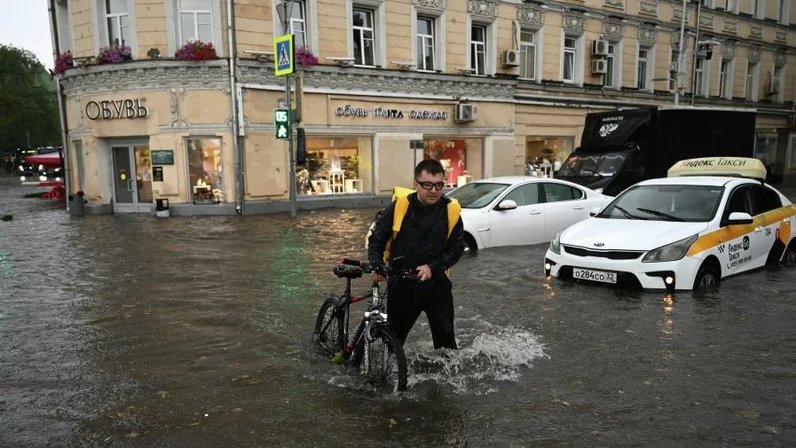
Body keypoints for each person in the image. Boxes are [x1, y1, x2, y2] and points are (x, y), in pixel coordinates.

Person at [367, 159, 465, 349]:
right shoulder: (398, 207)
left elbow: (456, 248)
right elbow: (377, 239)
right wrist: (376, 264)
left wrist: (432, 267)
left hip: (436, 284)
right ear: (415, 184)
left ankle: (444, 376)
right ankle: (390, 374)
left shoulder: (450, 211)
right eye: (427, 185)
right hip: (402, 284)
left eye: (439, 185)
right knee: (393, 341)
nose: (434, 190)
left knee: (446, 342)